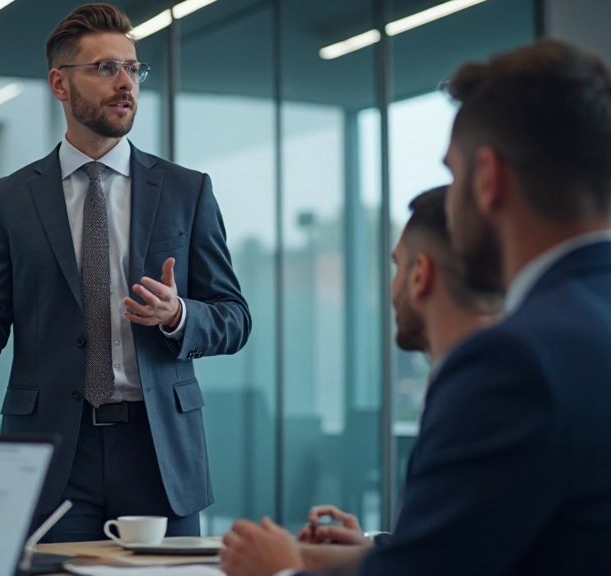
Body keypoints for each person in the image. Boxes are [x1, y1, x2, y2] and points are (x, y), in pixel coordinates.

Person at [221, 38, 611, 576]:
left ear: (487, 179)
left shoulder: (511, 360)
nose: (448, 199)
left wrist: (282, 571)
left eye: (452, 175)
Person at [0, 3, 250, 542]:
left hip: (159, 451)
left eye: (133, 68)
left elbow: (234, 317)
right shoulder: (8, 199)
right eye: (105, 68)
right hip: (53, 454)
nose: (125, 82)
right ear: (60, 84)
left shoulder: (186, 190)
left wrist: (178, 315)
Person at [296, 185, 502, 548]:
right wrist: (371, 552)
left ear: (420, 274)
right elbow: (454, 550)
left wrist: (284, 567)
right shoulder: (483, 378)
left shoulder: (481, 393)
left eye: (396, 265)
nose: (392, 287)